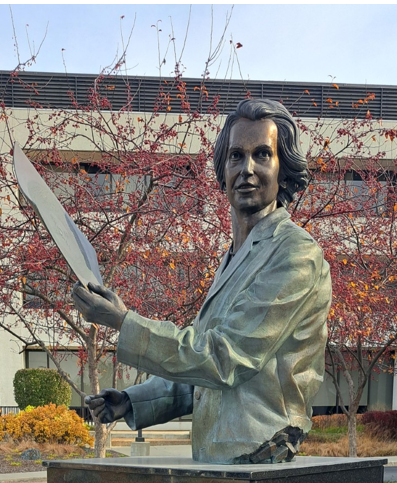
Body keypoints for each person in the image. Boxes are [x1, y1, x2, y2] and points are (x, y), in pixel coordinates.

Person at [71, 98, 332, 464]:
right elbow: (201, 377)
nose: (247, 169)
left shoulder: (295, 253)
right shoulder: (235, 256)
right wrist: (133, 401)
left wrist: (123, 321)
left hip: (259, 451)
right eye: (236, 156)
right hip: (220, 458)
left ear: (283, 170)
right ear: (222, 170)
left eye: (262, 155)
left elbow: (225, 359)